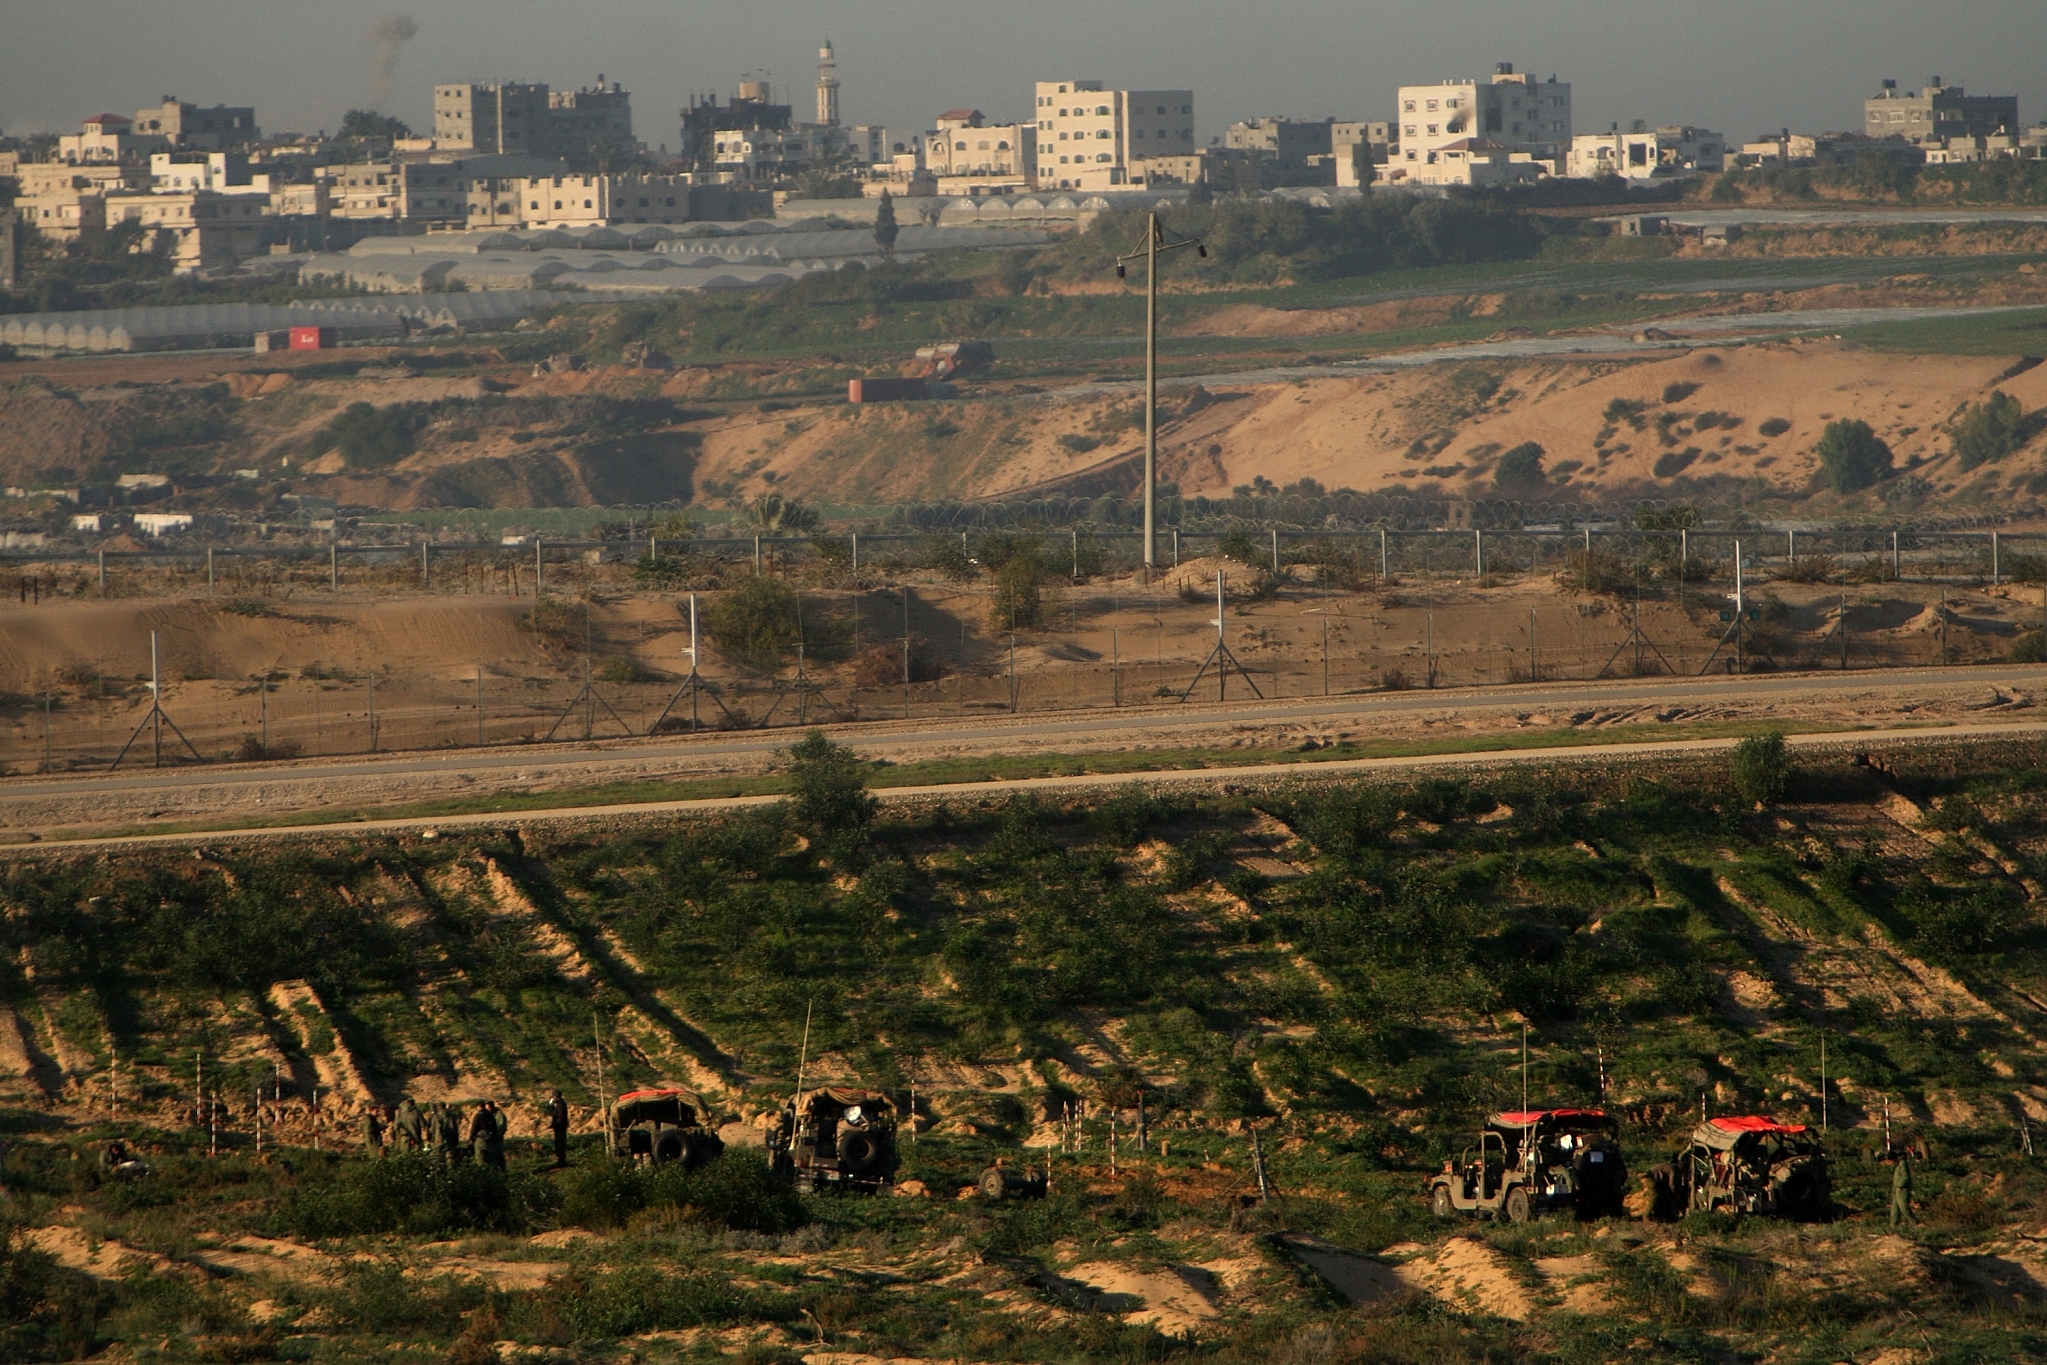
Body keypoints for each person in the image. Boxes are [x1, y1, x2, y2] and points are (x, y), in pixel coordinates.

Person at [473, 1101, 506, 1170]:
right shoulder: (489, 1116)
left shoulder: (499, 1115)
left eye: (488, 1108)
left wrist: (494, 1135)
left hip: (497, 1140)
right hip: (490, 1140)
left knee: (498, 1157)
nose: (487, 1109)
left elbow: (501, 1127)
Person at [1891, 1150, 1915, 1226]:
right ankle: (1893, 1224)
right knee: (1895, 1209)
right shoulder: (1898, 1164)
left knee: (1903, 1207)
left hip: (1902, 1189)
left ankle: (1914, 1222)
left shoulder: (1903, 1164)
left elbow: (1905, 1176)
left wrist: (1900, 1185)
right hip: (1897, 1189)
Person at [548, 1090, 571, 1168]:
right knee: (559, 1144)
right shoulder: (559, 1104)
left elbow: (560, 1117)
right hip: (559, 1127)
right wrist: (551, 1106)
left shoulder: (561, 1105)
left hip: (560, 1127)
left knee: (560, 1144)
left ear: (556, 1097)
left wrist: (554, 1124)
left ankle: (561, 1162)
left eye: (553, 1096)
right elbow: (553, 1113)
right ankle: (560, 1161)